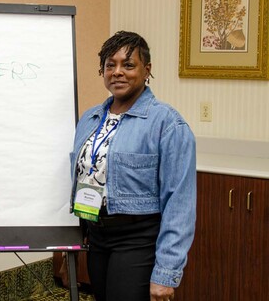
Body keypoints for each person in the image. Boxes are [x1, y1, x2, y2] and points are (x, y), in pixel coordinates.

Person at [70, 31, 196, 301]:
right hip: (97, 236)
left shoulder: (167, 124)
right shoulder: (89, 119)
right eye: (110, 65)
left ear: (146, 69)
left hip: (138, 240)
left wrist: (165, 273)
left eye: (128, 65)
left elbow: (180, 203)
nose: (118, 72)